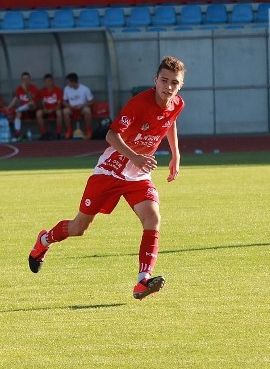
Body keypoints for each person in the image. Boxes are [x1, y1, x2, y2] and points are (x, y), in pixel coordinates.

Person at [28, 56, 186, 301]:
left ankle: (142, 281)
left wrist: (176, 154)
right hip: (111, 170)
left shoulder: (177, 104)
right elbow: (112, 135)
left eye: (174, 83)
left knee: (153, 217)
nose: (168, 86)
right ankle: (44, 240)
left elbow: (170, 122)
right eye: (164, 80)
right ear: (155, 80)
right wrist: (135, 156)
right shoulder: (138, 104)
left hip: (138, 174)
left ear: (180, 85)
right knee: (79, 227)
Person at [5, 71, 38, 140]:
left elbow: (31, 101)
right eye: (24, 79)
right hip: (23, 110)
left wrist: (25, 90)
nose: (25, 81)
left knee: (31, 104)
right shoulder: (19, 89)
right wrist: (8, 108)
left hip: (31, 110)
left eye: (27, 79)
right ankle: (17, 132)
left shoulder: (33, 88)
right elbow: (14, 100)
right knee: (18, 113)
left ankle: (17, 110)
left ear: (30, 79)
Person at [62, 72, 94, 139]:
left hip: (82, 109)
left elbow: (91, 101)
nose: (68, 84)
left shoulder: (85, 89)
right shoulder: (66, 89)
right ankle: (69, 131)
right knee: (65, 111)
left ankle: (88, 130)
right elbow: (64, 101)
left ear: (73, 82)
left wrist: (82, 105)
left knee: (87, 110)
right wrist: (69, 106)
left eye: (69, 82)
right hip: (71, 109)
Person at [35, 73, 64, 140]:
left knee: (59, 112)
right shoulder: (41, 91)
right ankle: (43, 133)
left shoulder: (58, 90)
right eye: (46, 82)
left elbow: (59, 104)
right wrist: (44, 109)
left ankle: (58, 133)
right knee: (38, 113)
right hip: (46, 110)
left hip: (55, 109)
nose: (47, 83)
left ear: (52, 81)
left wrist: (53, 109)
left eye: (49, 81)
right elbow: (42, 103)